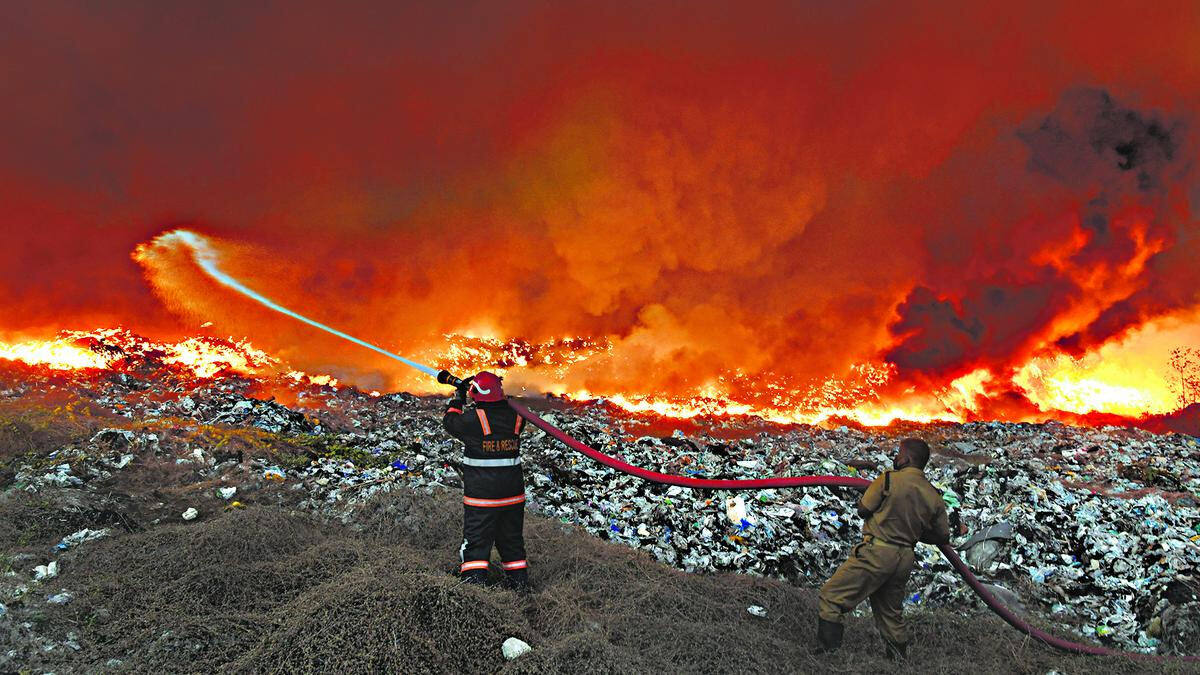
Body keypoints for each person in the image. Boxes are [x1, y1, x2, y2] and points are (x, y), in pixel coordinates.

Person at [813, 437, 951, 659]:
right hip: (904, 557)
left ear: (906, 458)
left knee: (831, 597)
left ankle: (828, 656)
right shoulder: (932, 494)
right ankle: (898, 660)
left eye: (899, 453)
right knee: (890, 613)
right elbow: (943, 535)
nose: (896, 457)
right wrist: (911, 529)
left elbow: (863, 509)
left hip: (876, 553)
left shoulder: (888, 480)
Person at [441, 370, 529, 590]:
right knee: (512, 543)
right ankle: (520, 587)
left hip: (483, 498)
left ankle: (474, 588)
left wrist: (458, 397)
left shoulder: (473, 420)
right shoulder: (517, 416)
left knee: (476, 544)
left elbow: (450, 422)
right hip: (513, 496)